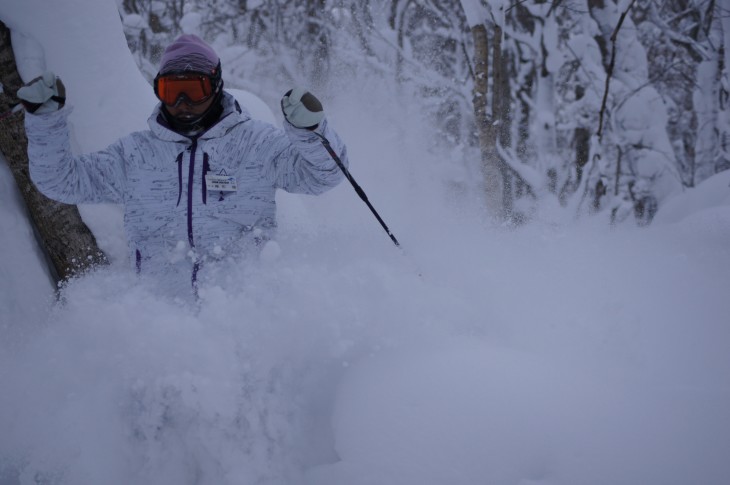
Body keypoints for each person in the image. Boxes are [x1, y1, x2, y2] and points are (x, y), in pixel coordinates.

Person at [18, 34, 348, 298]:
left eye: (193, 90)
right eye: (171, 91)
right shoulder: (135, 155)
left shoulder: (256, 145)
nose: (182, 104)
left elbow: (323, 175)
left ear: (216, 85)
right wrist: (45, 121)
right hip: (162, 328)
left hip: (245, 319)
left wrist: (312, 132)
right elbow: (60, 181)